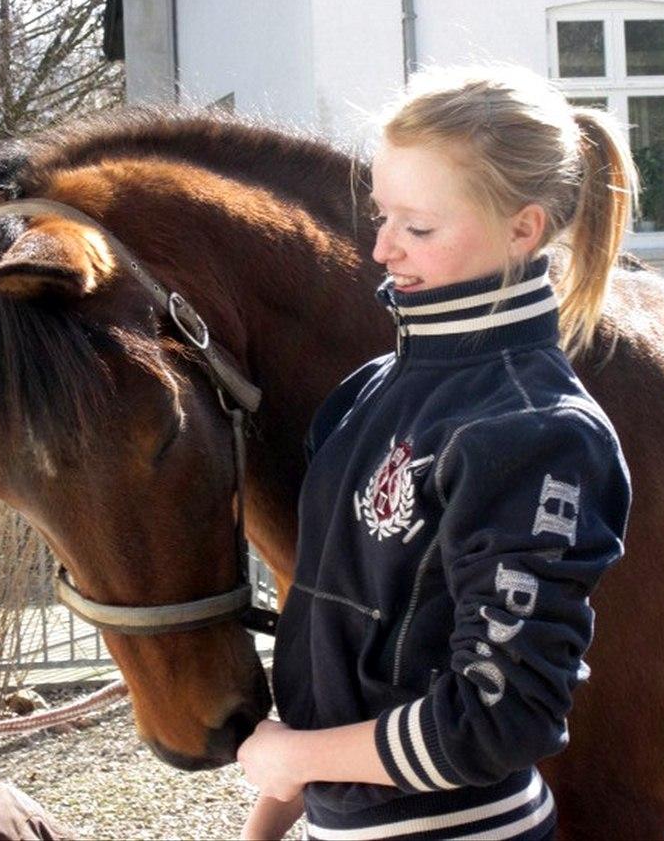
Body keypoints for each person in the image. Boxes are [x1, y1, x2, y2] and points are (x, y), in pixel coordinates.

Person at [238, 64, 636, 841]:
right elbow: (338, 659)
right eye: (382, 215)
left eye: (417, 227)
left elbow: (499, 721)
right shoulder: (365, 395)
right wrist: (266, 820)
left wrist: (295, 758)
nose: (382, 248)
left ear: (523, 230)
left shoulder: (537, 432)